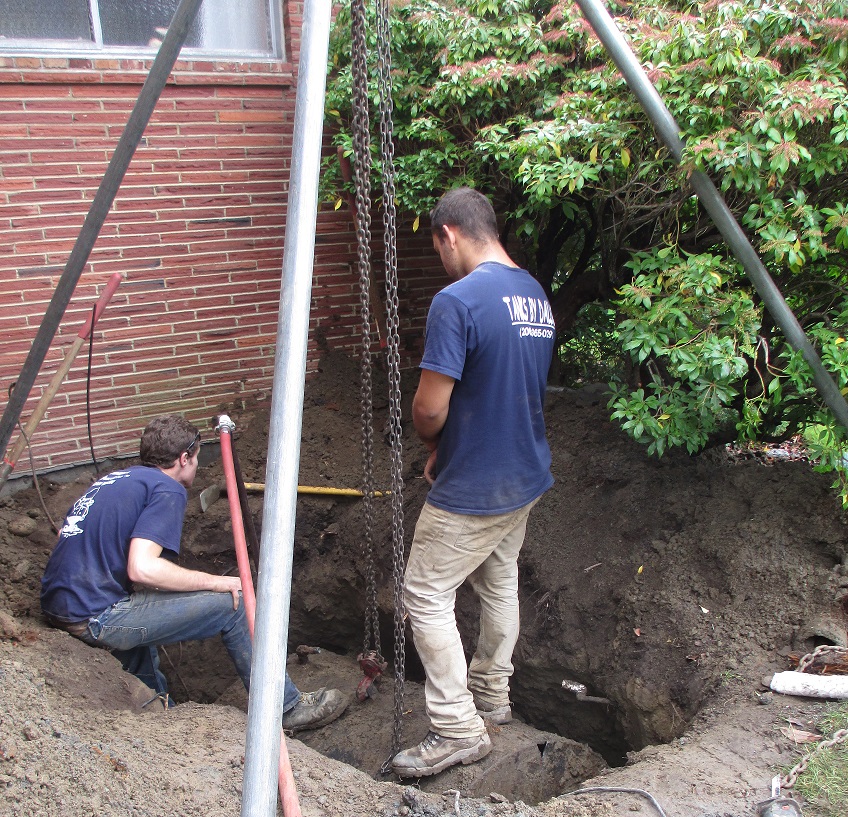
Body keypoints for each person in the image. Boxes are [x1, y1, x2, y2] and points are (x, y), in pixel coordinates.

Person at [40, 414, 347, 731]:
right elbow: (142, 567)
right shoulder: (166, 488)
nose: (198, 466)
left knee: (141, 635)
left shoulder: (117, 480)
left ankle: (160, 714)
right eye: (197, 457)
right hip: (95, 615)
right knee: (234, 604)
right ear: (184, 458)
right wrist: (216, 582)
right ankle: (286, 708)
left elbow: (92, 548)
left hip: (62, 606)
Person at [391, 188, 555, 777]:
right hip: (525, 473)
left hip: (476, 487)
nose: (441, 258)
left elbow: (430, 407)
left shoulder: (456, 300)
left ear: (449, 234)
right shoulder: (534, 293)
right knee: (499, 582)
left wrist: (433, 440)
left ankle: (458, 728)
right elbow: (502, 388)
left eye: (437, 247)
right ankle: (492, 695)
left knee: (425, 594)